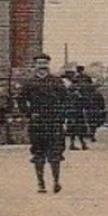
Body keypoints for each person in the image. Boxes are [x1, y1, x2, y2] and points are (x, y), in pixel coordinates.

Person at [17, 55, 67, 194]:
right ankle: (41, 183)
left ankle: (56, 181)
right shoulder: (29, 83)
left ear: (48, 64)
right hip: (37, 122)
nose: (42, 66)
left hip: (54, 122)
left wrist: (61, 116)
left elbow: (66, 100)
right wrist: (29, 113)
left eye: (44, 63)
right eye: (39, 63)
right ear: (35, 65)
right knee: (38, 153)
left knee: (55, 153)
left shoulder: (56, 81)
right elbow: (21, 100)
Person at [62, 69, 88, 151]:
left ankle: (76, 144)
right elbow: (81, 103)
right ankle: (81, 144)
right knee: (78, 129)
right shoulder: (76, 94)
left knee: (74, 130)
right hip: (76, 113)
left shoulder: (69, 92)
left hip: (73, 113)